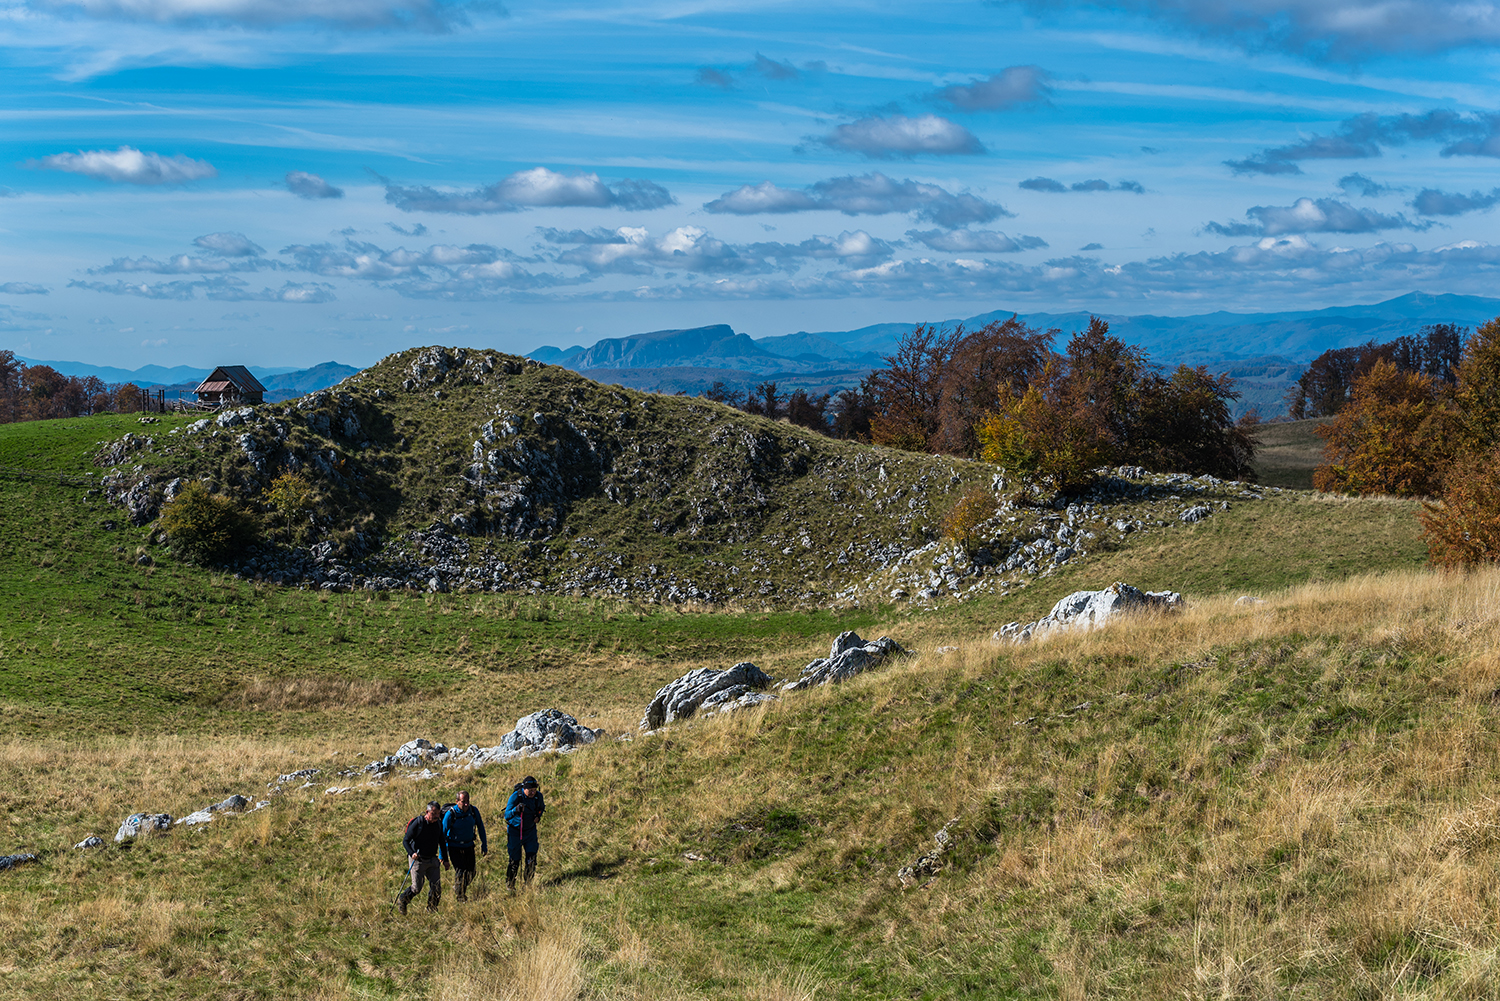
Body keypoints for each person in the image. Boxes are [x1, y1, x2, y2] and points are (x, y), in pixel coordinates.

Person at [397, 801, 449, 914]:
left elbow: (442, 842)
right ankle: (403, 901)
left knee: (436, 887)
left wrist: (445, 860)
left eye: (438, 814)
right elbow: (405, 841)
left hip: (432, 859)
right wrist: (412, 853)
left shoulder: (438, 824)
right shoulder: (418, 823)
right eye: (434, 814)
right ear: (427, 812)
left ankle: (432, 909)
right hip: (418, 860)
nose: (436, 816)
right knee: (416, 888)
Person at [442, 790, 488, 901]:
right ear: (457, 801)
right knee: (460, 872)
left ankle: (458, 888)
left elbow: (480, 827)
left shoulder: (473, 811)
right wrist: (441, 854)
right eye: (463, 802)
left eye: (467, 801)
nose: (466, 804)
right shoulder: (450, 814)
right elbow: (442, 835)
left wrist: (484, 844)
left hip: (469, 846)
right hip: (454, 847)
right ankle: (461, 897)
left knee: (472, 872)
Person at [504, 775, 545, 891]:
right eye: (530, 790)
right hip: (515, 832)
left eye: (534, 790)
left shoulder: (538, 796)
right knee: (514, 860)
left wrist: (538, 816)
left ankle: (528, 885)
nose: (532, 792)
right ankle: (510, 885)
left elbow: (541, 808)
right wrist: (515, 810)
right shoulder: (515, 797)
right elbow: (506, 815)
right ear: (524, 788)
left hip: (530, 831)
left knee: (531, 859)